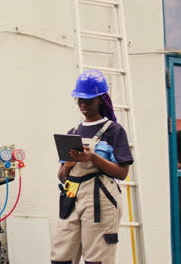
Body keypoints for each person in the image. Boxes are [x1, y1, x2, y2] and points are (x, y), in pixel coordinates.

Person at [50, 69, 134, 264]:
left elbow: (122, 173)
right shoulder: (72, 133)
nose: (83, 104)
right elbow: (62, 177)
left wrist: (93, 158)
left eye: (89, 99)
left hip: (100, 198)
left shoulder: (113, 130)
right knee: (61, 257)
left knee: (97, 258)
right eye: (80, 99)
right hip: (72, 196)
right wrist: (68, 165)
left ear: (101, 99)